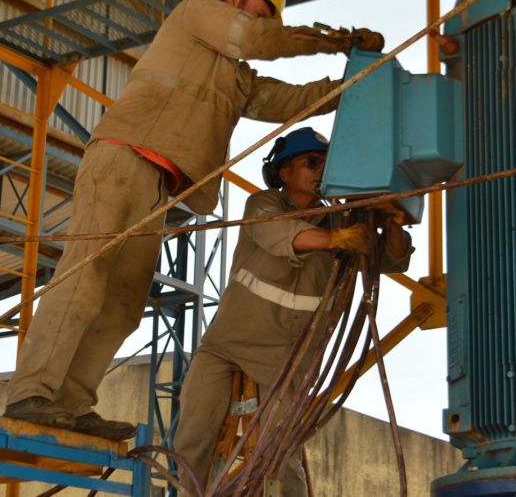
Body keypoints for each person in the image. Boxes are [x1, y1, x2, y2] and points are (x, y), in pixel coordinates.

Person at [3, 0, 385, 440]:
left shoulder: (237, 80)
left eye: (269, 17)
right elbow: (258, 40)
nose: (264, 25)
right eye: (260, 14)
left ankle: (73, 402)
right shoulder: (195, 15)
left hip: (158, 187)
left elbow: (295, 101)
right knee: (86, 278)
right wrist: (333, 40)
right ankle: (30, 393)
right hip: (123, 158)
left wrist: (359, 76)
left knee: (123, 302)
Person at [173, 127, 412, 494]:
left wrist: (390, 218)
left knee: (281, 459)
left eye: (326, 163)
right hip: (227, 346)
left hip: (287, 360)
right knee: (192, 440)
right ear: (285, 173)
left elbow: (393, 259)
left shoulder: (343, 220)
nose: (321, 170)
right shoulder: (264, 205)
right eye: (312, 162)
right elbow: (282, 234)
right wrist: (337, 240)